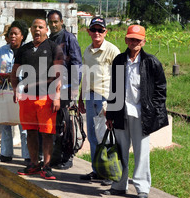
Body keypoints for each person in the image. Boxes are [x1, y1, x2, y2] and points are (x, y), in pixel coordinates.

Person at [105, 25, 169, 198]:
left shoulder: (151, 62)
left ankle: (142, 187)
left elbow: (160, 89)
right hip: (121, 111)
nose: (134, 43)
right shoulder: (119, 60)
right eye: (131, 39)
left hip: (142, 114)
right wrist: (110, 114)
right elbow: (113, 89)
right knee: (120, 150)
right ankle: (118, 185)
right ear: (126, 40)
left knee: (141, 152)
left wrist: (154, 110)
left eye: (138, 40)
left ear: (144, 42)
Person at [11, 18, 64, 180]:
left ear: (46, 29)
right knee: (31, 132)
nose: (37, 30)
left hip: (46, 98)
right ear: (31, 30)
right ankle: (34, 164)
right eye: (34, 27)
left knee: (47, 133)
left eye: (40, 27)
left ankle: (47, 166)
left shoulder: (54, 48)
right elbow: (14, 71)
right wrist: (15, 89)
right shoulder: (24, 49)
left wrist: (57, 96)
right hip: (27, 98)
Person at [78, 17, 120, 183]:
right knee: (93, 136)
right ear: (88, 32)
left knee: (106, 136)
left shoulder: (112, 50)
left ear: (105, 32)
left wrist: (112, 103)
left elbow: (119, 78)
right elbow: (86, 75)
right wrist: (81, 97)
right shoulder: (87, 51)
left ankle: (110, 172)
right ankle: (97, 170)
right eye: (94, 30)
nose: (97, 33)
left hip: (105, 98)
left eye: (100, 30)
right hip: (89, 96)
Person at [47, 10, 82, 170]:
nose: (53, 25)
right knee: (55, 125)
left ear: (61, 22)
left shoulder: (69, 39)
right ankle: (56, 157)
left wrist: (75, 88)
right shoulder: (49, 40)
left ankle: (68, 157)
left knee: (67, 124)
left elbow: (76, 64)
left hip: (67, 88)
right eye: (51, 22)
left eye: (56, 22)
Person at [0, 20, 30, 162]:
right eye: (10, 34)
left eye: (15, 34)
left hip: (23, 92)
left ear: (22, 36)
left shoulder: (28, 51)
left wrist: (16, 76)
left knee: (23, 125)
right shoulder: (2, 51)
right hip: (5, 90)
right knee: (6, 123)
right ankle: (6, 154)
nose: (12, 36)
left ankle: (27, 156)